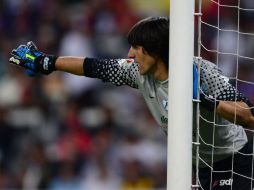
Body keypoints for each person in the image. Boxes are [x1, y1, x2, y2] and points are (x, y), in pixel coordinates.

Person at [9, 16, 254, 189]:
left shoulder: (201, 72)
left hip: (235, 159)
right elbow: (92, 67)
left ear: (156, 50)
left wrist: (206, 101)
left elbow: (248, 115)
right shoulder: (136, 72)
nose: (130, 54)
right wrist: (47, 62)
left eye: (137, 47)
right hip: (200, 166)